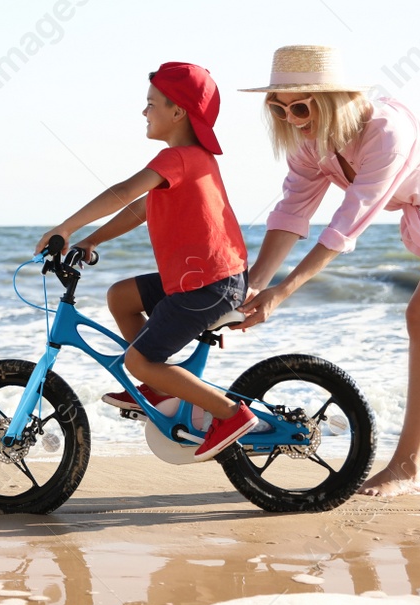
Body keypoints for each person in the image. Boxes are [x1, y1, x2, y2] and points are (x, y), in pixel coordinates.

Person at [235, 45, 420, 497]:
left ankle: (409, 467)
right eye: (278, 108)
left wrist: (285, 290)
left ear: (335, 100)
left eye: (300, 106)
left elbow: (346, 224)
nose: (291, 119)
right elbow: (292, 212)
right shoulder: (311, 144)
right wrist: (254, 283)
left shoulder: (387, 132)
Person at [35, 62, 257, 462]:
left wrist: (64, 228)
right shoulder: (186, 162)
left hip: (210, 285)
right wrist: (92, 239)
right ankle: (157, 386)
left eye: (151, 103)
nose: (144, 112)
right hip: (199, 280)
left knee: (139, 360)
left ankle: (230, 414)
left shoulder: (181, 157)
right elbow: (140, 209)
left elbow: (124, 191)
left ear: (178, 112)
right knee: (121, 296)